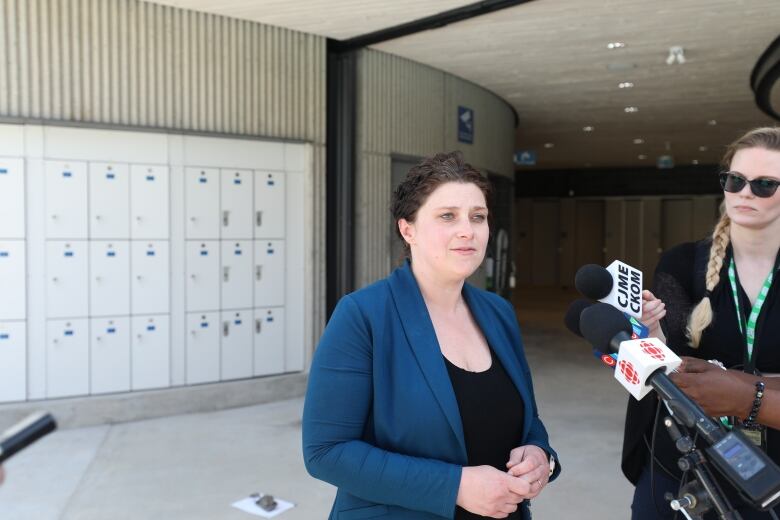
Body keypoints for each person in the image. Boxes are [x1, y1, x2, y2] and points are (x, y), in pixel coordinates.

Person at [302, 152, 559, 519]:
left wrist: (539, 454)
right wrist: (455, 486)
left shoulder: (498, 312)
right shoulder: (364, 315)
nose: (467, 230)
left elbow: (528, 419)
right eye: (447, 216)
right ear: (408, 229)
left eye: (478, 217)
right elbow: (326, 451)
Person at [625, 126, 780, 519]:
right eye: (735, 180)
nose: (744, 192)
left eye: (764, 184)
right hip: (684, 463)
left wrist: (749, 392)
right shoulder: (681, 263)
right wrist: (649, 333)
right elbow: (668, 363)